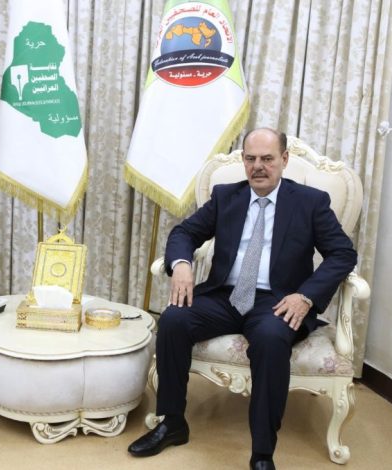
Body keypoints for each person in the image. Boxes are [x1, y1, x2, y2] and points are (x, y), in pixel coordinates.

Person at [127, 128, 357, 470]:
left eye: (267, 159)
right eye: (250, 159)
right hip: (225, 295)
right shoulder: (226, 196)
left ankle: (262, 451)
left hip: (278, 300)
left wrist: (306, 296)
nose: (258, 166)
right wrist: (182, 264)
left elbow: (342, 253)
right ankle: (172, 422)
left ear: (284, 160)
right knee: (174, 319)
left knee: (270, 339)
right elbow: (184, 232)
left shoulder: (310, 202)